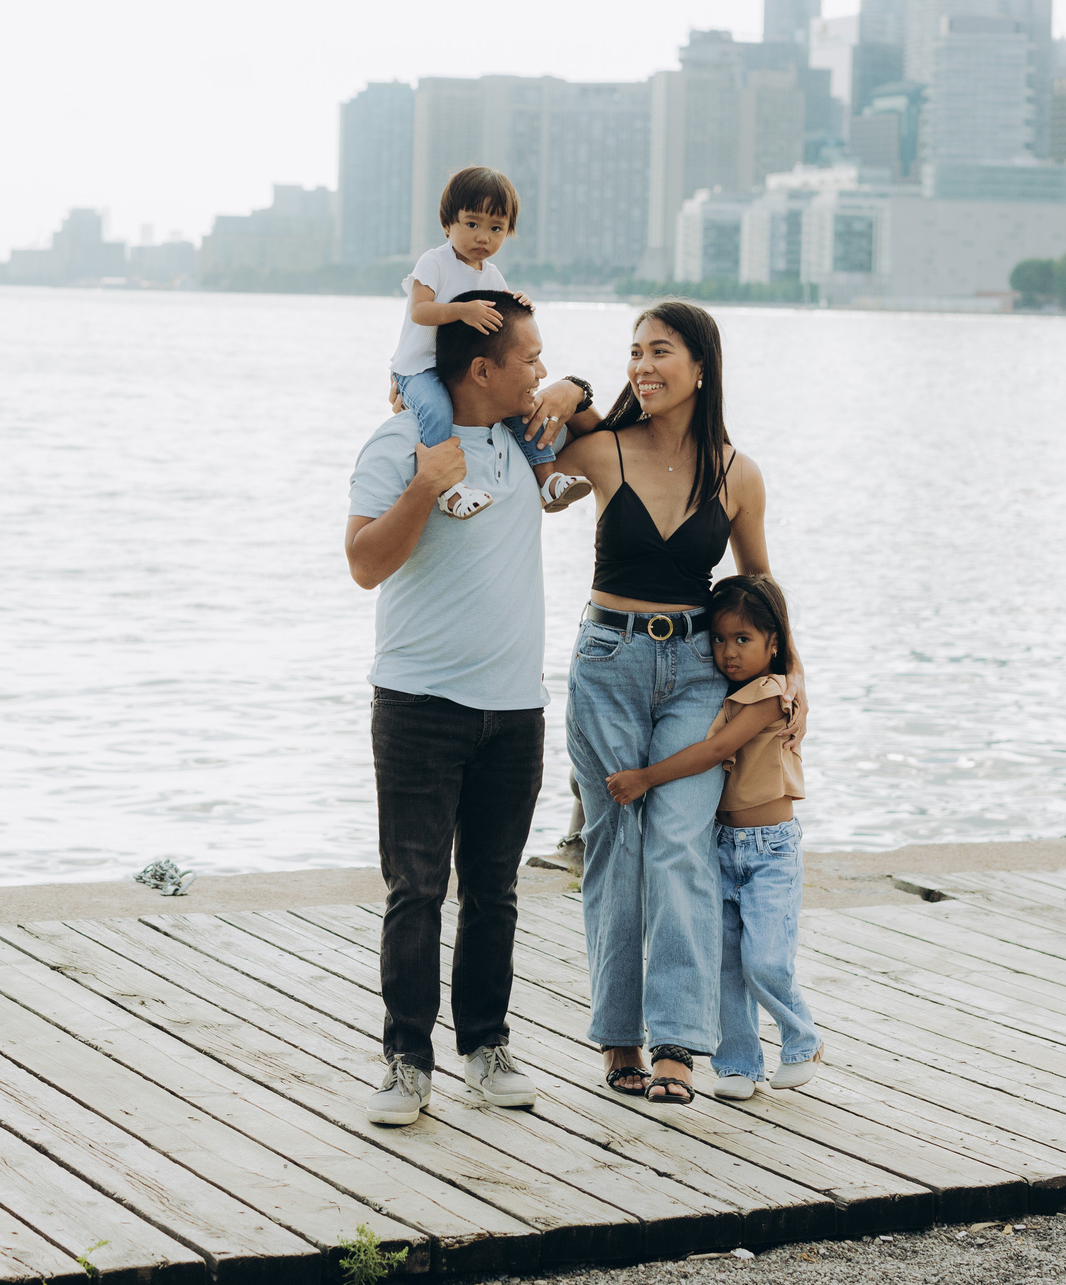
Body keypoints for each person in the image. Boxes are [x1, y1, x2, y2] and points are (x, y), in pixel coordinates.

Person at [345, 289, 596, 1125]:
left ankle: (485, 1047)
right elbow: (362, 564)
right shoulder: (400, 439)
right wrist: (424, 488)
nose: (537, 370)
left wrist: (576, 386)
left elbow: (625, 417)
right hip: (419, 704)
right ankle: (406, 1062)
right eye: (529, 359)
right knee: (415, 889)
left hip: (514, 710)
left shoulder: (529, 438)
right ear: (480, 367)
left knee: (495, 890)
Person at [540, 300, 793, 1105]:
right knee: (616, 842)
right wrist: (568, 387)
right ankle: (620, 1037)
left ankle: (681, 1042)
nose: (643, 367)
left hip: (696, 671)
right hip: (608, 659)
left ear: (701, 367)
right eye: (634, 353)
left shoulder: (738, 472)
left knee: (681, 841)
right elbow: (534, 467)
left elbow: (760, 590)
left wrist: (791, 680)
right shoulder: (603, 448)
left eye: (660, 352)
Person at [601, 574, 820, 1101]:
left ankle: (801, 1039)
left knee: (764, 958)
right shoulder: (723, 692)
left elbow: (712, 750)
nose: (728, 653)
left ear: (775, 643)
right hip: (722, 845)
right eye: (718, 640)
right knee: (722, 963)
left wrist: (646, 777)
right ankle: (738, 1063)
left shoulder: (771, 694)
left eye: (743, 640)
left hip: (771, 850)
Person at [388, 165, 593, 520]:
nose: (483, 237)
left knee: (519, 409)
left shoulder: (492, 274)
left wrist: (519, 303)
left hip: (459, 371)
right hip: (419, 368)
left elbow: (504, 322)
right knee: (437, 411)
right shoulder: (434, 262)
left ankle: (546, 479)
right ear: (447, 223)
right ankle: (448, 489)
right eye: (472, 224)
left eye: (495, 228)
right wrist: (462, 310)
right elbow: (420, 311)